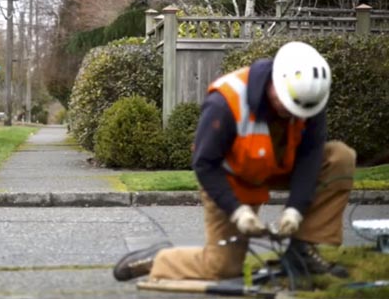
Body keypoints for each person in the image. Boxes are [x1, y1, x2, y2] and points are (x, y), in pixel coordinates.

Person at [113, 41, 356, 282]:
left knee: (339, 157)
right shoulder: (226, 102)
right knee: (222, 268)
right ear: (275, 79)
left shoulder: (308, 99)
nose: (292, 113)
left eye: (299, 110)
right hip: (231, 178)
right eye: (287, 102)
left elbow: (309, 157)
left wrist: (296, 209)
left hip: (279, 166)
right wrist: (237, 211)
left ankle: (302, 251)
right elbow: (205, 164)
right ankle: (160, 258)